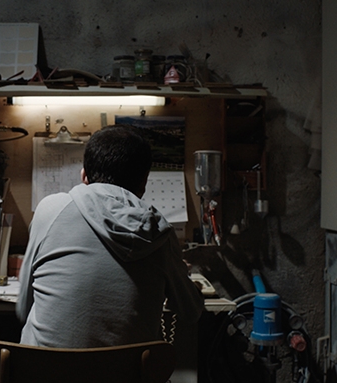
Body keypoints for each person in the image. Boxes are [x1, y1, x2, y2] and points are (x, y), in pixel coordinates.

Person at [16, 124, 204, 350]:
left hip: (42, 380)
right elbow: (191, 312)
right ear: (144, 183)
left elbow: (23, 307)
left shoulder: (50, 210)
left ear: (84, 175)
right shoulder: (160, 233)